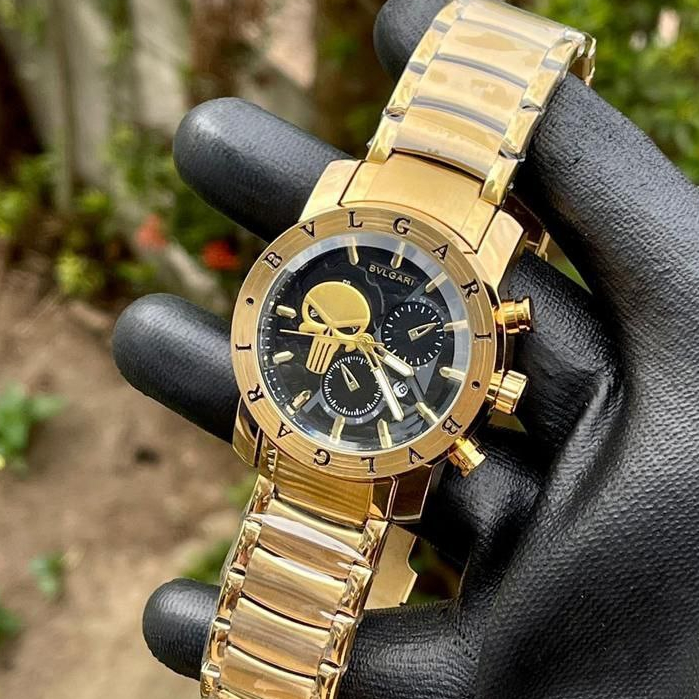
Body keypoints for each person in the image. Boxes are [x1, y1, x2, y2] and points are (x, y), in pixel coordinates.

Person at [113, 1, 699, 696]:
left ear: (491, 382)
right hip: (311, 429)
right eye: (335, 331)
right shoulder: (324, 270)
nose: (350, 343)